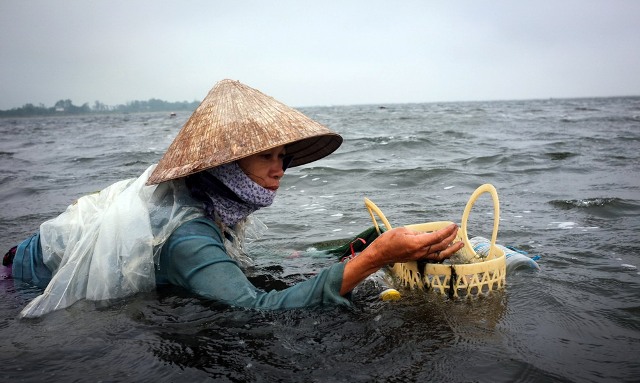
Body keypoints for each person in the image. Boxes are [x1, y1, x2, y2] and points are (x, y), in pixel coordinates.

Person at [4, 79, 464, 318]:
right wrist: (377, 257)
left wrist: (363, 243)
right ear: (225, 164)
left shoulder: (208, 201)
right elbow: (255, 309)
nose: (280, 168)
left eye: (283, 155)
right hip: (18, 282)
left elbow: (229, 263)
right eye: (265, 155)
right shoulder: (185, 232)